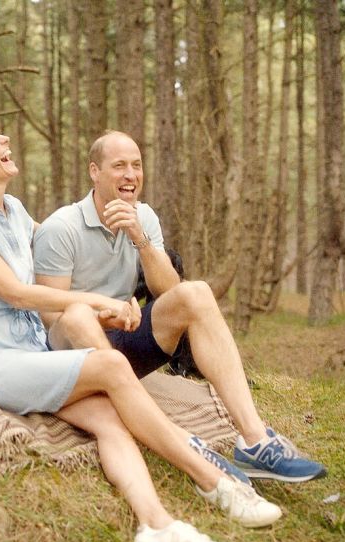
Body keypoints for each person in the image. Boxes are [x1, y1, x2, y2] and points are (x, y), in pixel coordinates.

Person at [0, 119, 281, 542]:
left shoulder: (14, 212)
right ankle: (212, 478)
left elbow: (57, 247)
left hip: (34, 354)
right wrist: (96, 302)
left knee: (109, 419)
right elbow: (14, 292)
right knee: (110, 365)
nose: (5, 139)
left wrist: (119, 294)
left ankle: (157, 528)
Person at [33, 130, 327, 483]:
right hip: (75, 355)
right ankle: (174, 437)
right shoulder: (61, 227)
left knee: (196, 293)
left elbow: (169, 292)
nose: (131, 175)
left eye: (137, 166)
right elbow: (49, 314)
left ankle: (254, 440)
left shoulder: (145, 218)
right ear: (95, 172)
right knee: (78, 316)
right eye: (119, 166)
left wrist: (139, 238)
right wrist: (101, 314)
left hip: (124, 340)